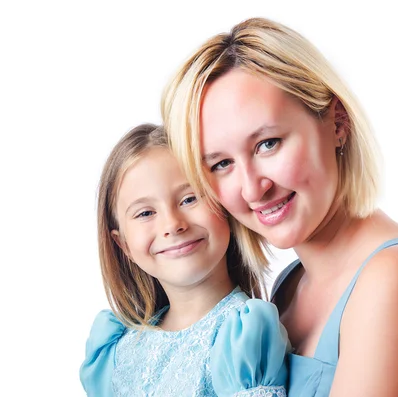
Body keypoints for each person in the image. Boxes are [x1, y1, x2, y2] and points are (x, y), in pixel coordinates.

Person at [162, 17, 398, 397]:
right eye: (221, 164)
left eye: (268, 143)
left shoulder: (396, 278)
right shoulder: (291, 285)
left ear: (337, 122)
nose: (253, 187)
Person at [79, 123, 289, 397]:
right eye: (145, 213)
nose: (172, 224)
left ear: (223, 205)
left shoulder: (244, 339)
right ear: (123, 245)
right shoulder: (117, 352)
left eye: (190, 199)